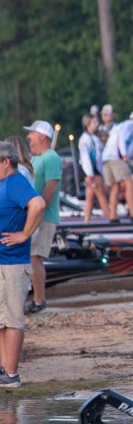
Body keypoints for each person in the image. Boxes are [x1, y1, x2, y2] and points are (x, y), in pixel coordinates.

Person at [0, 141, 45, 388]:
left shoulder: (15, 182)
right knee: (1, 319)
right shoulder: (5, 183)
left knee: (12, 318)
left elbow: (38, 204)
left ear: (6, 162)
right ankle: (3, 370)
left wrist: (24, 234)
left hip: (13, 263)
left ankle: (11, 374)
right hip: (3, 262)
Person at [23, 121, 61, 315]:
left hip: (44, 216)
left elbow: (50, 187)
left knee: (35, 256)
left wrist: (38, 210)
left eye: (32, 133)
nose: (29, 137)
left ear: (42, 136)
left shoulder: (51, 157)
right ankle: (35, 299)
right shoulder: (37, 158)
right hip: (37, 214)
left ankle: (39, 301)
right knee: (32, 256)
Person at [100, 107, 133, 220]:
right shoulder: (128, 125)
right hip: (115, 157)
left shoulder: (113, 127)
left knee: (115, 187)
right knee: (129, 184)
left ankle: (113, 216)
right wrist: (124, 155)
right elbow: (121, 140)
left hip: (105, 158)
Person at [78, 114, 111, 223]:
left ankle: (86, 220)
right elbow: (85, 158)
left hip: (96, 172)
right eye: (94, 122)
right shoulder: (84, 139)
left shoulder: (94, 138)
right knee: (101, 195)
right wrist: (90, 174)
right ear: (87, 124)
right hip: (92, 173)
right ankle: (111, 217)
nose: (97, 124)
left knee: (90, 198)